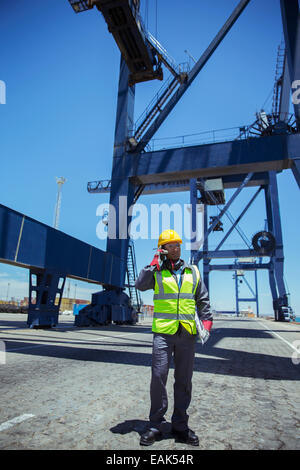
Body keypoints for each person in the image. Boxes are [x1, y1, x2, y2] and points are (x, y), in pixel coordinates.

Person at [135, 229, 213, 446]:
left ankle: (180, 425)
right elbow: (139, 285)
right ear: (163, 249)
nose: (176, 248)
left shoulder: (193, 271)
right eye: (171, 245)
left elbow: (203, 300)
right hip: (163, 333)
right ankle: (156, 425)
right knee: (158, 377)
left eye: (178, 244)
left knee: (184, 380)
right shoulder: (157, 272)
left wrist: (207, 322)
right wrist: (152, 264)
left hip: (187, 333)